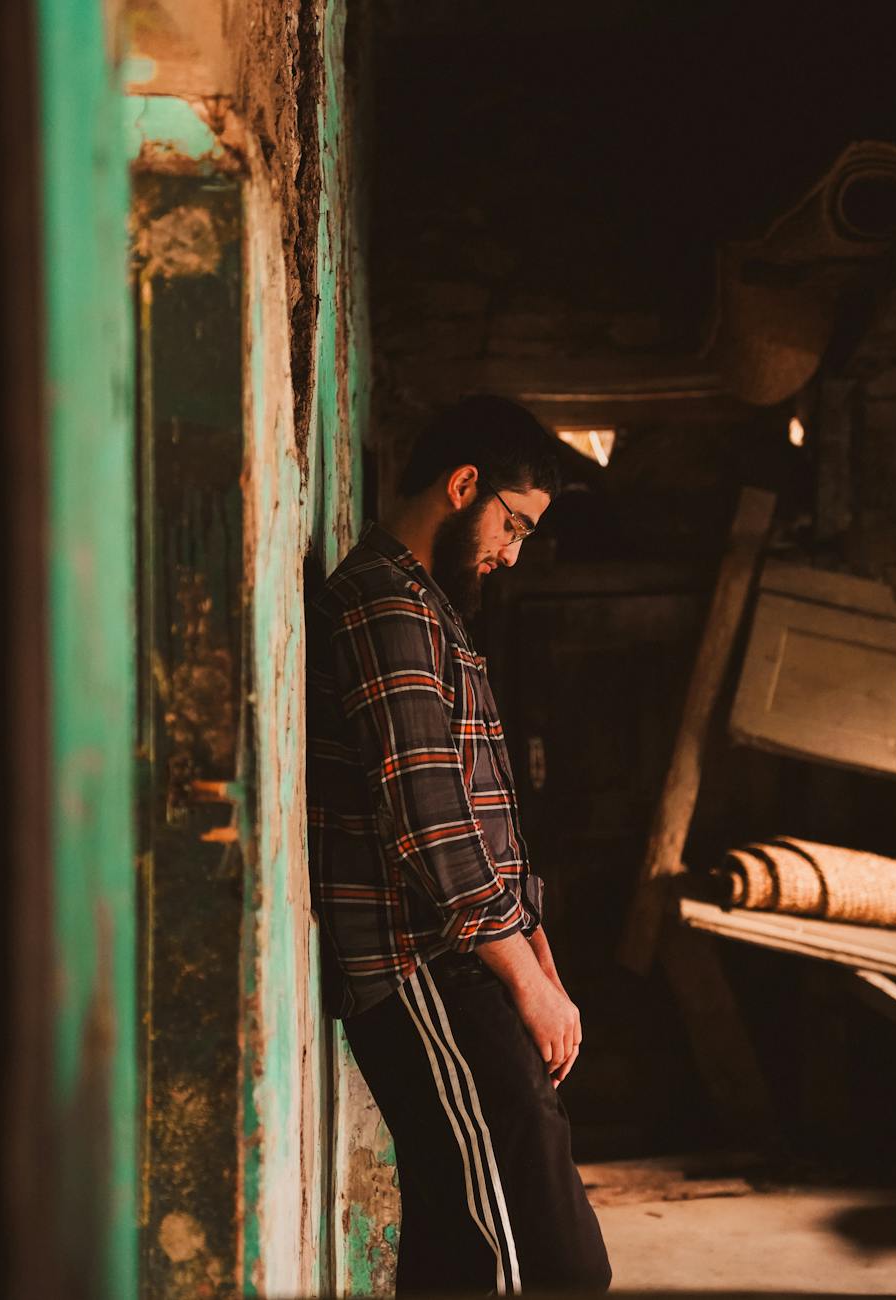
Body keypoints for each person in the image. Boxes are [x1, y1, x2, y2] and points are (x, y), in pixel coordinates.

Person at [306, 395, 611, 1294]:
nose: (512, 552)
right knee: (545, 1264)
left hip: (463, 960)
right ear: (464, 485)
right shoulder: (384, 606)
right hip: (421, 969)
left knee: (459, 1242)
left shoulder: (428, 608)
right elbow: (429, 818)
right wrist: (526, 981)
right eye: (512, 524)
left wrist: (537, 951)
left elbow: (480, 813)